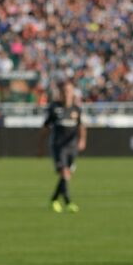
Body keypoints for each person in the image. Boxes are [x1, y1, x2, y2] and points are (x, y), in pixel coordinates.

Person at [40, 80, 85, 213]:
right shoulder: (54, 108)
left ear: (72, 93)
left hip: (72, 146)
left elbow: (82, 126)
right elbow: (46, 127)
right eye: (64, 91)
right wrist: (40, 144)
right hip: (58, 146)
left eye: (69, 91)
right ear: (60, 93)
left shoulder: (76, 109)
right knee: (64, 173)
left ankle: (54, 199)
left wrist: (82, 140)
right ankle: (68, 202)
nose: (67, 93)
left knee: (67, 175)